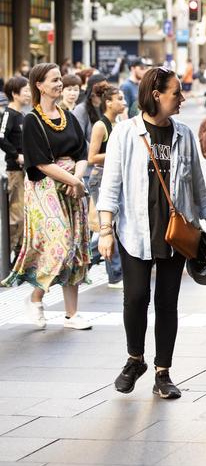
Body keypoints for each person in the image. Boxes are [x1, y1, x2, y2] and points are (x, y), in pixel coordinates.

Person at [96, 67, 206, 399]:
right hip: (134, 230)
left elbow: (197, 185)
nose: (181, 99)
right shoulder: (125, 133)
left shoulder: (184, 134)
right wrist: (105, 230)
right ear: (156, 95)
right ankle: (134, 359)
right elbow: (110, 187)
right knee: (136, 298)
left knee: (167, 303)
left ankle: (163, 372)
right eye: (176, 93)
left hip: (175, 234)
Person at [1, 63, 92, 331]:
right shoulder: (32, 120)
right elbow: (40, 163)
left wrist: (78, 175)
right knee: (60, 243)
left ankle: (71, 314)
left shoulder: (68, 116)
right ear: (38, 85)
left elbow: (83, 152)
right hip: (45, 190)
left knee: (75, 247)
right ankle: (35, 297)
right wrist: (74, 180)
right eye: (54, 80)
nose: (59, 84)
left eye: (60, 79)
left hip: (72, 188)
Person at [87, 85, 125, 289]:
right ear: (108, 102)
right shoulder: (101, 126)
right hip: (99, 178)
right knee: (109, 226)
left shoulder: (118, 123)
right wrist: (117, 153)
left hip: (112, 176)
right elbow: (91, 157)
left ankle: (86, 259)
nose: (124, 102)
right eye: (119, 98)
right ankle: (115, 275)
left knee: (113, 226)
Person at [0, 76, 31, 262]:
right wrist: (16, 155)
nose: (28, 94)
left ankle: (17, 260)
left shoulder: (22, 115)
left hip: (26, 171)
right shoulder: (9, 114)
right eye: (25, 90)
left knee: (24, 216)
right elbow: (1, 137)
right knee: (16, 216)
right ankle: (6, 259)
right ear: (14, 93)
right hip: (15, 171)